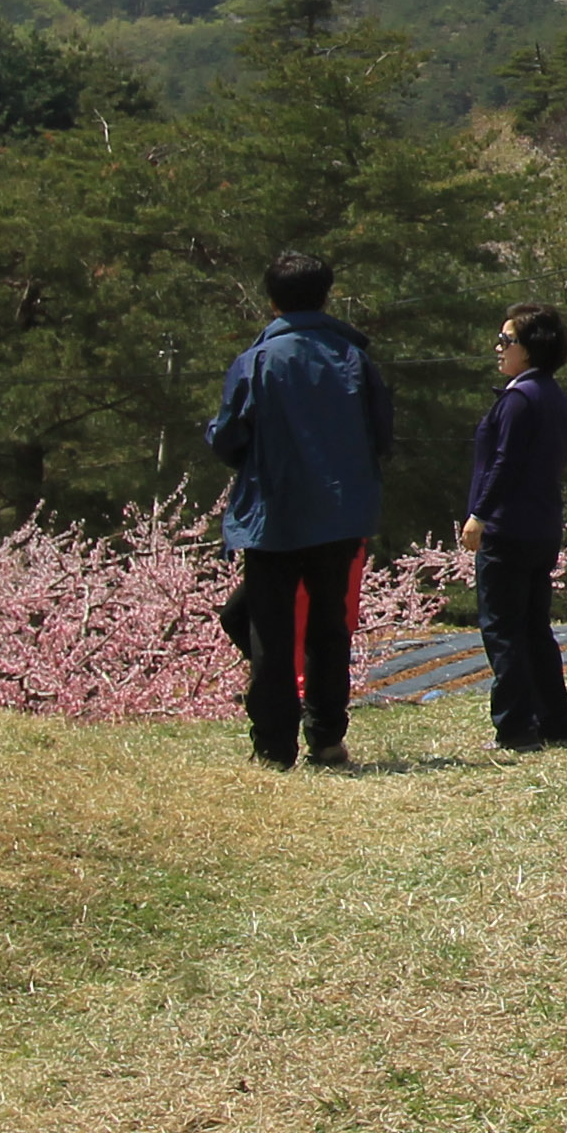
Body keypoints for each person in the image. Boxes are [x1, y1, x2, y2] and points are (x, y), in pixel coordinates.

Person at [206, 252, 393, 772]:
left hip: (273, 515)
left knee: (271, 629)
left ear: (271, 300)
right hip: (339, 513)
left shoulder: (258, 361)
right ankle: (327, 739)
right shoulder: (353, 358)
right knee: (329, 627)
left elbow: (228, 437)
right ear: (326, 296)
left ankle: (273, 745)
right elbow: (381, 434)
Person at [458, 301, 567, 754]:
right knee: (534, 629)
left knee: (503, 630)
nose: (499, 347)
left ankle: (514, 727)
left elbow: (504, 463)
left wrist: (480, 514)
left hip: (508, 529)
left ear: (528, 350)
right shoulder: (553, 396)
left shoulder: (517, 399)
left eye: (506, 340)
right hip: (543, 525)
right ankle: (555, 723)